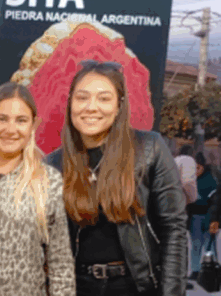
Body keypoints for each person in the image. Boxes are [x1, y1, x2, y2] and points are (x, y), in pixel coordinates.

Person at [46, 60, 187, 296]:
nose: (91, 107)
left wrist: (172, 292)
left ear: (119, 105)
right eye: (82, 98)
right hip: (76, 287)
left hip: (137, 287)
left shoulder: (149, 148)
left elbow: (174, 229)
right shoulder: (53, 163)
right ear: (70, 103)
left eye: (104, 98)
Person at [0, 82, 74, 296]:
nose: (11, 130)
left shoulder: (48, 181)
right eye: (2, 119)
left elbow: (60, 262)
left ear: (33, 125)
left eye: (21, 120)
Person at [188, 153, 218, 278]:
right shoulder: (191, 180)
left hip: (208, 216)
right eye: (193, 168)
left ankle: (212, 268)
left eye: (198, 168)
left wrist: (214, 219)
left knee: (209, 244)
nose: (196, 171)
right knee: (196, 244)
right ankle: (195, 270)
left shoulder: (210, 181)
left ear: (203, 167)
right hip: (195, 217)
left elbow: (215, 202)